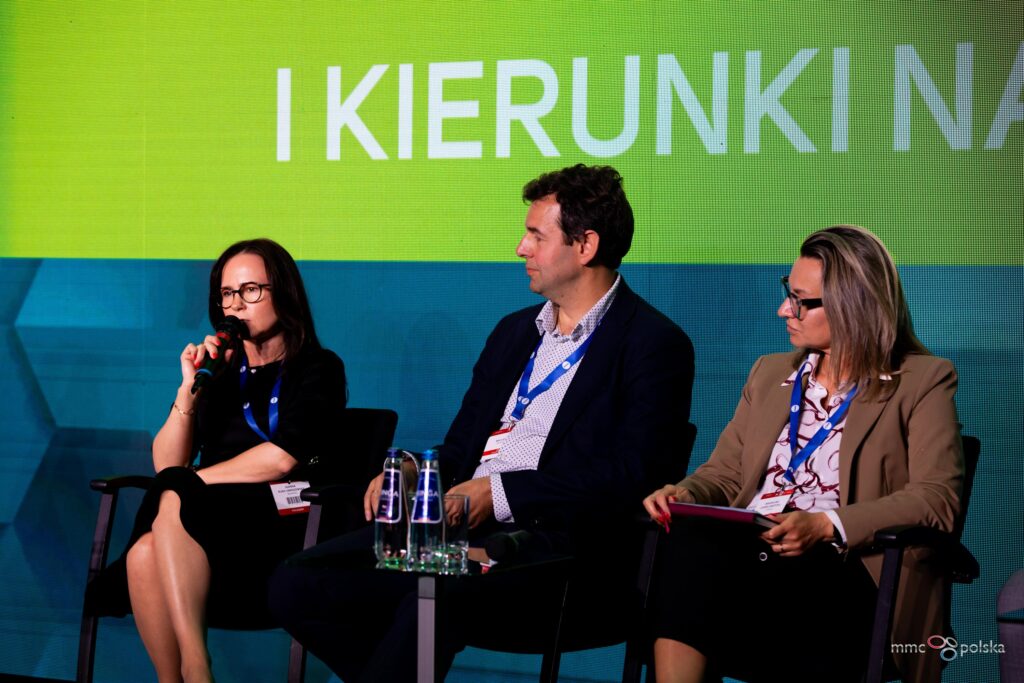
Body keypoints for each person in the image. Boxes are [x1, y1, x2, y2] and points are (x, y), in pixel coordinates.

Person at [269, 164, 695, 681]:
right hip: (453, 533)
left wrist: (498, 494)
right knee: (296, 583)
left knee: (432, 596)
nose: (520, 248)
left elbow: (632, 477)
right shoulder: (513, 333)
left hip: (556, 554)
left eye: (536, 235)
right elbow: (460, 451)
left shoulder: (653, 344)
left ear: (585, 245)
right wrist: (413, 470)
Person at [643, 225, 963, 683]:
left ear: (853, 306)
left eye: (800, 301)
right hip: (751, 555)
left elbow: (936, 499)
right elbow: (727, 473)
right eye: (787, 294)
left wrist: (825, 525)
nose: (783, 311)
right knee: (684, 545)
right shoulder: (769, 372)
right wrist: (686, 493)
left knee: (768, 572)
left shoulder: (923, 381)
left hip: (846, 570)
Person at [88, 238, 347, 683]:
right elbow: (167, 463)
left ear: (283, 292)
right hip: (208, 519)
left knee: (175, 493)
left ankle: (196, 665)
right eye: (227, 294)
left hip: (284, 515)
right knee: (145, 551)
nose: (236, 304)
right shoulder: (221, 372)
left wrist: (193, 482)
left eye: (251, 290)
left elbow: (282, 460)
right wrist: (189, 387)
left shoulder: (318, 367)